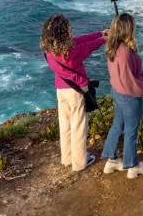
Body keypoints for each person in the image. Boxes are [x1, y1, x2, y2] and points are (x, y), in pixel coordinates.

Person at [41, 15, 106, 171]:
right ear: (64, 32)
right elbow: (88, 47)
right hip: (75, 92)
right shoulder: (71, 53)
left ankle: (68, 158)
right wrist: (104, 40)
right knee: (79, 127)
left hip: (61, 90)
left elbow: (80, 40)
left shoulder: (49, 51)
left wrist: (100, 34)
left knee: (66, 125)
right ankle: (79, 162)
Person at [101, 13, 143, 179]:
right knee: (131, 132)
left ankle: (112, 161)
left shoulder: (112, 46)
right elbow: (129, 80)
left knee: (117, 125)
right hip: (129, 96)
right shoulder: (126, 52)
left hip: (117, 92)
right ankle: (133, 166)